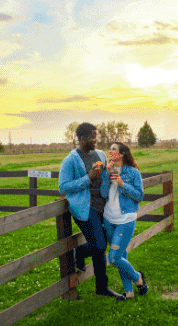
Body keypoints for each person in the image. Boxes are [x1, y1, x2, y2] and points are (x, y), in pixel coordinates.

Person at [58, 123, 124, 299]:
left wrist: (109, 173)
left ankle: (79, 253)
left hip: (102, 205)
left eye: (96, 136)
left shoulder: (100, 155)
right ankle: (102, 287)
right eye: (93, 137)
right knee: (100, 245)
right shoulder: (70, 160)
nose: (96, 140)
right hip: (84, 208)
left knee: (101, 243)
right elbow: (63, 187)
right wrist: (88, 177)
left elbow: (104, 178)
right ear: (83, 139)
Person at [100, 141, 148, 299]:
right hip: (109, 218)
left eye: (113, 149)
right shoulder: (108, 170)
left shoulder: (133, 173)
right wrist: (106, 174)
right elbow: (103, 193)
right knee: (121, 256)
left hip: (125, 219)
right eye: (110, 149)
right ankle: (129, 292)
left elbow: (139, 196)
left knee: (113, 258)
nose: (110, 151)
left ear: (121, 154)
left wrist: (122, 184)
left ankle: (138, 278)